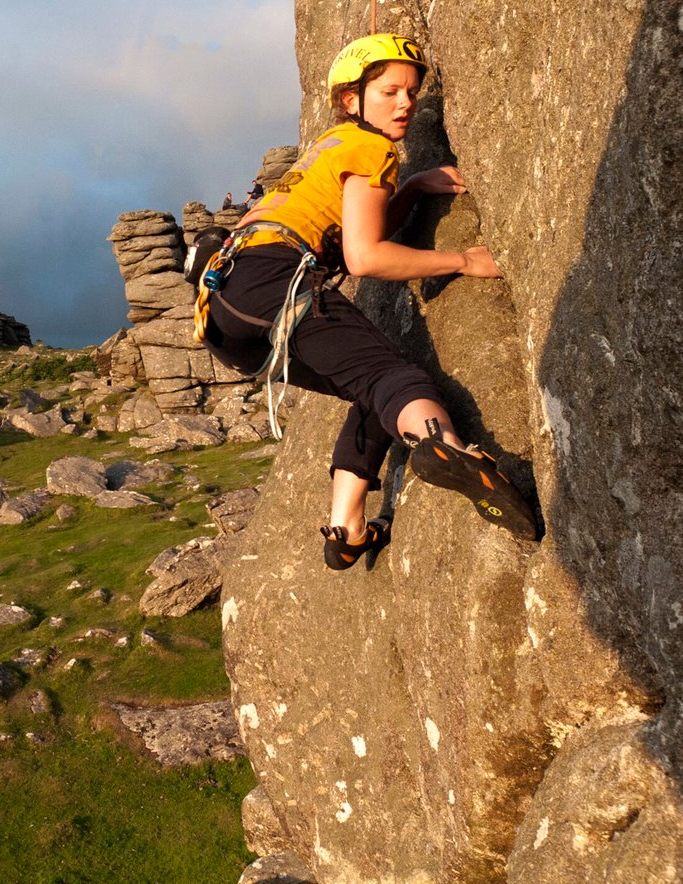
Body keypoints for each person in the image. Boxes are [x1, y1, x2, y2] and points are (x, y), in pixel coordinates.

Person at [196, 33, 536, 570]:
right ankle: (448, 448)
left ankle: (347, 530)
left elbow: (361, 221)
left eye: (412, 92)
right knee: (394, 380)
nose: (405, 103)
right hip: (273, 279)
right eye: (389, 91)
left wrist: (418, 185)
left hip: (225, 311)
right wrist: (464, 261)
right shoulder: (371, 147)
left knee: (373, 391)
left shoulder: (330, 146)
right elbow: (366, 256)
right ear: (352, 99)